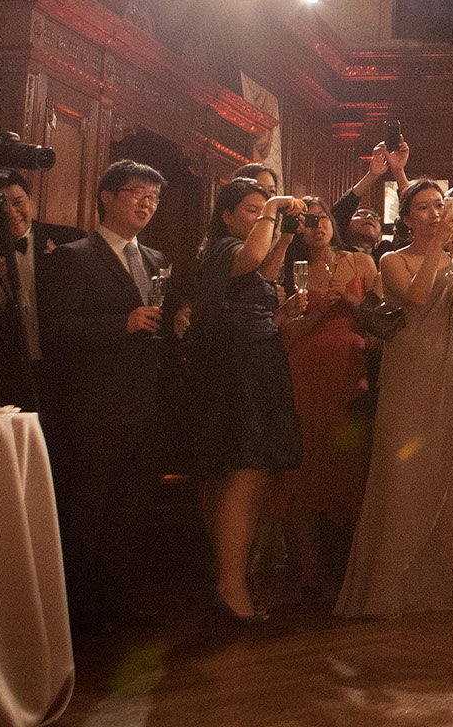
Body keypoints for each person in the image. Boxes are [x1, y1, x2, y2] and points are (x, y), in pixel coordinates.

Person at [39, 159, 169, 629]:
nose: (146, 202)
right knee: (86, 509)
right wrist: (122, 322)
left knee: (130, 508)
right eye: (136, 192)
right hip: (92, 407)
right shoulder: (73, 256)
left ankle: (115, 599)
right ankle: (73, 612)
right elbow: (56, 331)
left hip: (141, 403)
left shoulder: (154, 261)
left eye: (153, 196)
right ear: (106, 197)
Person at [337, 180, 453, 617]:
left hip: (449, 368)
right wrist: (439, 246)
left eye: (440, 205)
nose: (435, 213)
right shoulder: (391, 258)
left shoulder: (452, 257)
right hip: (407, 371)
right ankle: (386, 589)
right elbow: (416, 297)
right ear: (407, 216)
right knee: (401, 475)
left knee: (445, 470)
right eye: (424, 207)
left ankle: (438, 588)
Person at [190, 177, 307, 622]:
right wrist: (273, 204)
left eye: (263, 209)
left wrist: (289, 235)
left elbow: (266, 268)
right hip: (238, 371)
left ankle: (232, 576)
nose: (262, 216)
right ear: (226, 215)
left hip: (255, 363)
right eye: (250, 209)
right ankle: (231, 583)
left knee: (250, 471)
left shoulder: (242, 260)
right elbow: (254, 256)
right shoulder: (222, 249)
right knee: (246, 469)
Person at [277, 195, 377, 603]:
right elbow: (286, 336)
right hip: (304, 372)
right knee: (306, 465)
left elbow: (384, 320)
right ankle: (310, 570)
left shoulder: (361, 263)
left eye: (322, 217)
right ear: (297, 228)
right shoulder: (291, 270)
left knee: (350, 463)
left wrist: (352, 303)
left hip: (350, 371)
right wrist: (316, 314)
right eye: (307, 220)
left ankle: (356, 567)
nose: (316, 225)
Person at [0, 170, 83, 410]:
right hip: (9, 369)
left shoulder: (69, 241)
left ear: (31, 201)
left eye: (18, 203)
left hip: (61, 367)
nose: (12, 213)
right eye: (3, 206)